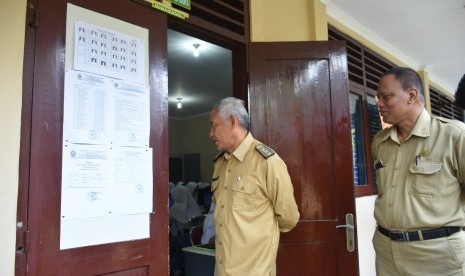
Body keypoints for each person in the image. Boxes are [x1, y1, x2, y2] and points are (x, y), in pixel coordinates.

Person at [372, 67, 465, 275]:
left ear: (411, 96)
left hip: (436, 255)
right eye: (378, 97)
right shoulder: (380, 142)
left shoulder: (454, 135)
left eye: (386, 97)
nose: (379, 103)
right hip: (386, 251)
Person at [209, 97, 300, 276]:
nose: (210, 134)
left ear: (233, 121)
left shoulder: (267, 162)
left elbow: (288, 217)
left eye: (214, 125)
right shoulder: (220, 164)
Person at [169, 185, 202, 276]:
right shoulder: (193, 204)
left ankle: (176, 269)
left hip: (184, 238)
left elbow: (168, 221)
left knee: (170, 245)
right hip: (196, 239)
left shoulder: (176, 208)